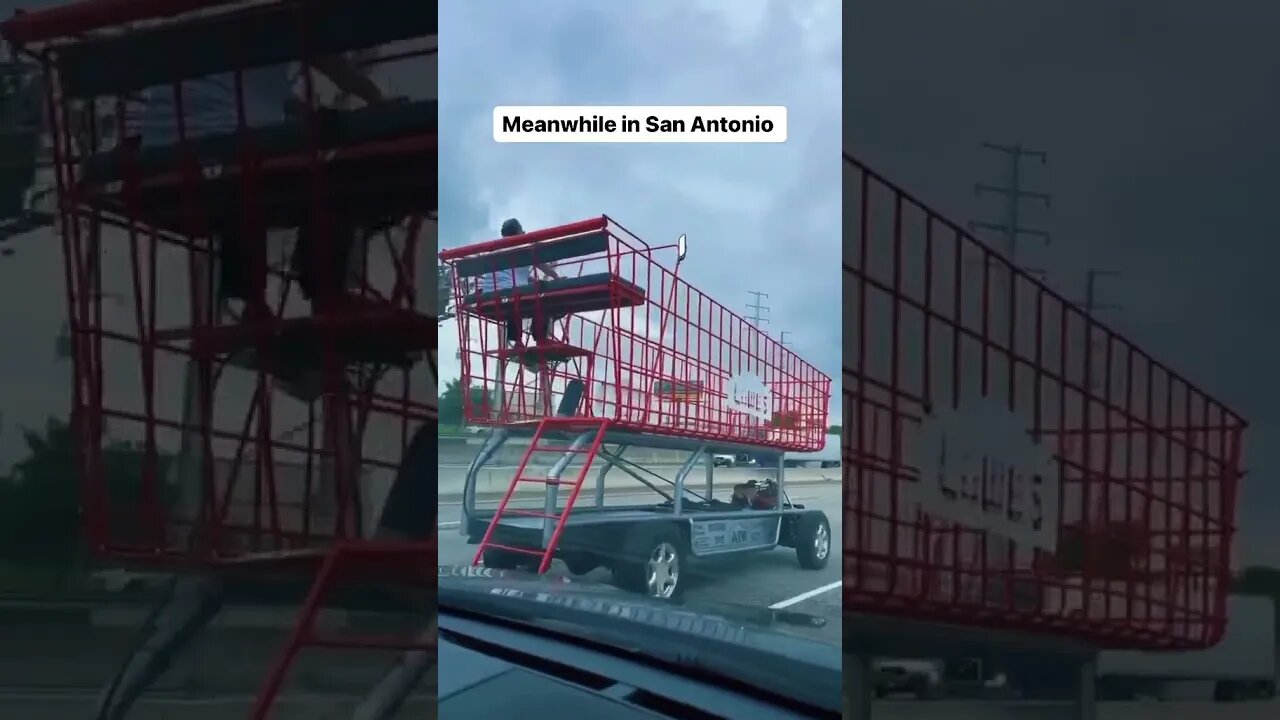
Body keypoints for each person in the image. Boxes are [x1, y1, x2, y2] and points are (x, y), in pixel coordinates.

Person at [132, 56, 385, 315]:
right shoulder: (286, 20)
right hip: (230, 142)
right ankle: (324, 291)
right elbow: (335, 65)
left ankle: (250, 300)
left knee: (239, 190)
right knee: (331, 178)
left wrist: (303, 111)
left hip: (163, 145)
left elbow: (261, 97)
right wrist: (377, 100)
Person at [477, 217, 561, 347]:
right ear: (517, 233)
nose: (524, 232)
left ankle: (516, 341)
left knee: (512, 300)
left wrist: (532, 280)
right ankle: (540, 339)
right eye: (522, 230)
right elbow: (543, 266)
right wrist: (557, 277)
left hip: (488, 297)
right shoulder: (522, 248)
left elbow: (510, 275)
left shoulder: (494, 249)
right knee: (542, 302)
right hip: (510, 295)